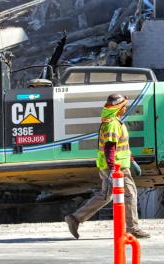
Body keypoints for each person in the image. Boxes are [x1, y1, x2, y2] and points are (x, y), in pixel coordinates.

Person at [64, 93, 150, 239]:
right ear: (118, 107)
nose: (125, 108)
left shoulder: (113, 121)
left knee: (106, 195)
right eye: (124, 106)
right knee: (130, 194)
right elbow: (110, 147)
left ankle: (75, 218)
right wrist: (112, 169)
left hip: (116, 166)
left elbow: (121, 146)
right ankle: (132, 228)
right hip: (117, 168)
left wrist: (132, 160)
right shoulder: (112, 123)